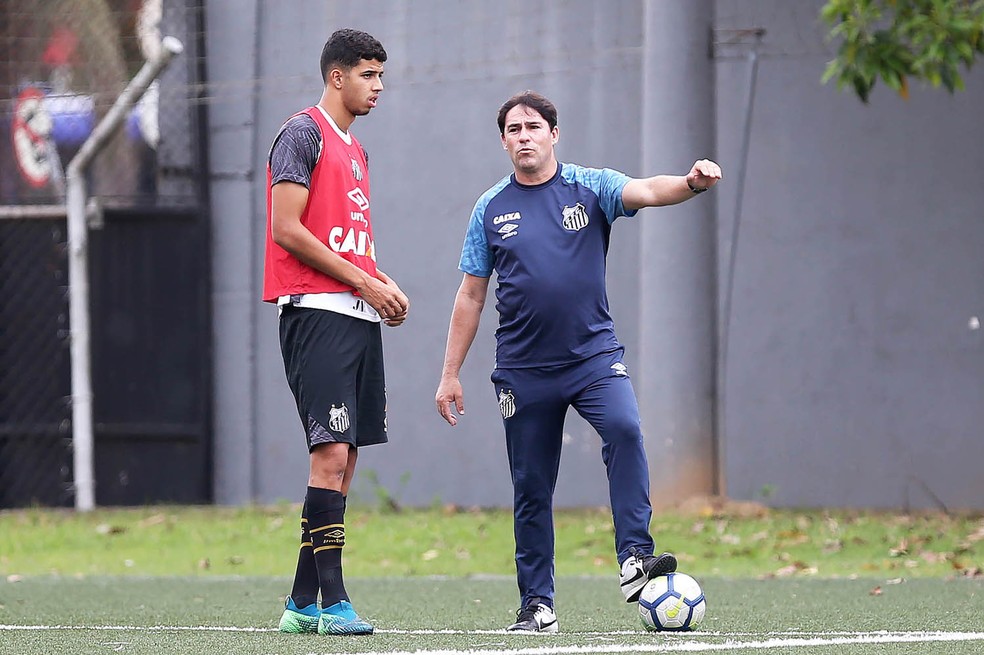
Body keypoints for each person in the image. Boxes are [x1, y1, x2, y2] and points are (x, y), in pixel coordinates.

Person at [435, 91, 721, 633]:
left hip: (593, 358)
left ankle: (635, 558)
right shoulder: (490, 207)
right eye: (514, 129)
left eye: (533, 126)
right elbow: (471, 294)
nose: (524, 136)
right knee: (532, 487)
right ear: (503, 142)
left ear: (554, 134)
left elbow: (647, 190)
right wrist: (450, 374)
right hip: (522, 371)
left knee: (625, 429)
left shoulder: (591, 186)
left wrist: (690, 183)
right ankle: (537, 605)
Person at [263, 28, 409, 636]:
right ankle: (334, 603)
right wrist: (364, 283)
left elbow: (344, 240)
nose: (378, 87)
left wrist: (382, 283)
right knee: (328, 454)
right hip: (316, 313)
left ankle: (301, 603)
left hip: (356, 315)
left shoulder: (357, 150)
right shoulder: (302, 133)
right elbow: (287, 229)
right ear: (336, 76)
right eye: (368, 75)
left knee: (344, 461)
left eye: (381, 76)